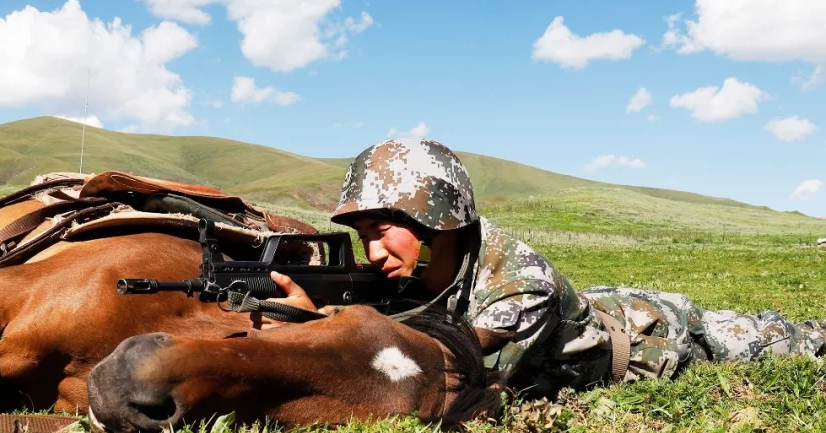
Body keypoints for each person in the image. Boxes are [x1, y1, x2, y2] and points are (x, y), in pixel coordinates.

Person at [259, 137, 826, 398]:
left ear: (440, 220)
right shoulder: (412, 272)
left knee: (771, 338)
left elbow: (451, 375)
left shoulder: (520, 285)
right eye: (362, 237)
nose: (373, 253)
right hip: (594, 308)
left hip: (653, 333)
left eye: (382, 232)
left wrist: (321, 329)